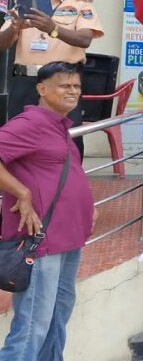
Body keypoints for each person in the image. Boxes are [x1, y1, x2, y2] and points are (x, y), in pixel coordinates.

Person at [0, 61, 95, 359]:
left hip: (68, 238)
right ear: (41, 89)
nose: (73, 91)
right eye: (64, 85)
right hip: (41, 241)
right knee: (33, 325)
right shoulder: (30, 123)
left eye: (76, 86)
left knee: (57, 318)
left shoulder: (59, 125)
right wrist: (22, 193)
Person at [0, 0, 104, 122]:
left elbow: (84, 39)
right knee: (22, 134)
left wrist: (53, 29)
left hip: (63, 82)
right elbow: (1, 44)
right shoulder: (23, 4)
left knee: (64, 135)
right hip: (26, 82)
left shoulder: (81, 5)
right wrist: (14, 28)